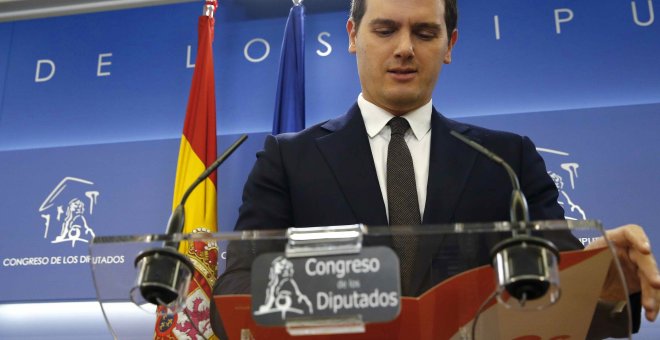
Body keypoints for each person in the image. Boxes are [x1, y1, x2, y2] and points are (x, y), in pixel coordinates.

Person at [212, 0, 659, 336]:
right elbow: (234, 292)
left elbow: (560, 290)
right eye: (385, 30)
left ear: (451, 44)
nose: (405, 48)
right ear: (352, 35)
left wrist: (603, 277)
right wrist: (346, 292)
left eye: (425, 33)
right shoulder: (288, 160)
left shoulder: (508, 161)